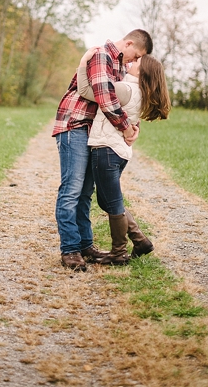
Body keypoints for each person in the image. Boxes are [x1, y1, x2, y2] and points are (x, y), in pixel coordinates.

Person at [52, 30, 152, 271]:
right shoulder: (102, 55)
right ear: (128, 43)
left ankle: (85, 245)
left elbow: (123, 101)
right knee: (72, 189)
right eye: (135, 55)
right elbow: (106, 98)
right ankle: (70, 249)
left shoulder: (119, 66)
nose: (134, 61)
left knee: (86, 192)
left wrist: (133, 125)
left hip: (93, 131)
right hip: (75, 124)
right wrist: (127, 129)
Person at [77, 50, 171, 264]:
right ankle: (140, 241)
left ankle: (118, 253)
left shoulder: (123, 89)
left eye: (138, 61)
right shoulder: (136, 91)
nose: (133, 61)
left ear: (143, 71)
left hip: (106, 150)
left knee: (113, 202)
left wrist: (83, 63)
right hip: (118, 152)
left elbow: (85, 90)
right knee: (106, 200)